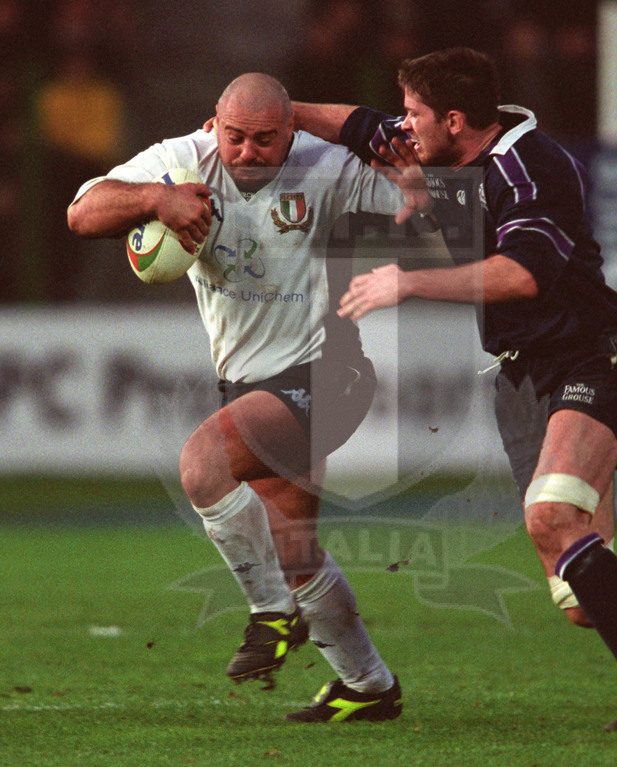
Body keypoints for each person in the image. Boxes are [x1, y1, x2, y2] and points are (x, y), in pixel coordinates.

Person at [292, 47, 617, 732]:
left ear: (453, 120)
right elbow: (351, 124)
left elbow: (524, 276)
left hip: (591, 358)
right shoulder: (445, 143)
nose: (403, 124)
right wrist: (271, 111)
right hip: (521, 379)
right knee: (583, 598)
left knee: (550, 515)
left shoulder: (532, 166)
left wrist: (408, 281)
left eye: (415, 113)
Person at [67, 72, 404, 723]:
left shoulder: (326, 167)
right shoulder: (181, 162)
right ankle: (368, 685)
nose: (248, 152)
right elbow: (82, 213)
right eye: (236, 138)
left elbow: (425, 201)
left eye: (266, 140)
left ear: (291, 132)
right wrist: (152, 202)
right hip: (250, 381)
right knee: (295, 550)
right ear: (213, 125)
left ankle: (270, 612)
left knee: (203, 463)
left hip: (327, 373)